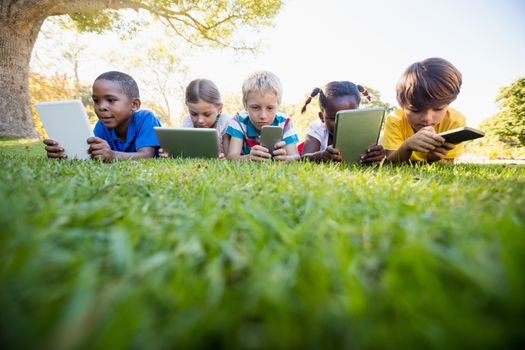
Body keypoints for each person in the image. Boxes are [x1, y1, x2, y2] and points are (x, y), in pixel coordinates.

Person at [44, 71, 161, 161]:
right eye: (96, 100)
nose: (101, 107)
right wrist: (64, 152)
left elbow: (147, 155)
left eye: (111, 100)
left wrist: (112, 155)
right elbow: (93, 154)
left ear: (134, 105)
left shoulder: (146, 119)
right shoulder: (101, 125)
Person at [383, 57, 466, 163]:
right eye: (415, 110)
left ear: (448, 103)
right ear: (402, 106)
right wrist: (407, 146)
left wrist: (432, 159)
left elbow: (448, 163)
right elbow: (390, 163)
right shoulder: (395, 119)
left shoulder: (455, 121)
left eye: (438, 109)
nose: (427, 119)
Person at [300, 81, 385, 164]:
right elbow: (303, 158)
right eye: (334, 118)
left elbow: (372, 157)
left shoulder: (364, 129)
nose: (341, 124)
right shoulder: (318, 129)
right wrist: (321, 156)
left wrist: (375, 156)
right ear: (322, 117)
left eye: (350, 116)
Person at [224, 71, 299, 161]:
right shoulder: (239, 121)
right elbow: (231, 157)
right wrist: (249, 157)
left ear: (278, 105)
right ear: (245, 104)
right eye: (255, 107)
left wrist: (285, 158)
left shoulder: (284, 122)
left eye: (270, 108)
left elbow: (295, 156)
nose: (263, 116)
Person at [182, 79, 230, 156]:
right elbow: (184, 150)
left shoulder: (225, 122)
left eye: (207, 114)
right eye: (194, 114)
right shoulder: (188, 122)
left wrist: (225, 157)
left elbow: (230, 156)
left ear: (219, 108)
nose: (200, 120)